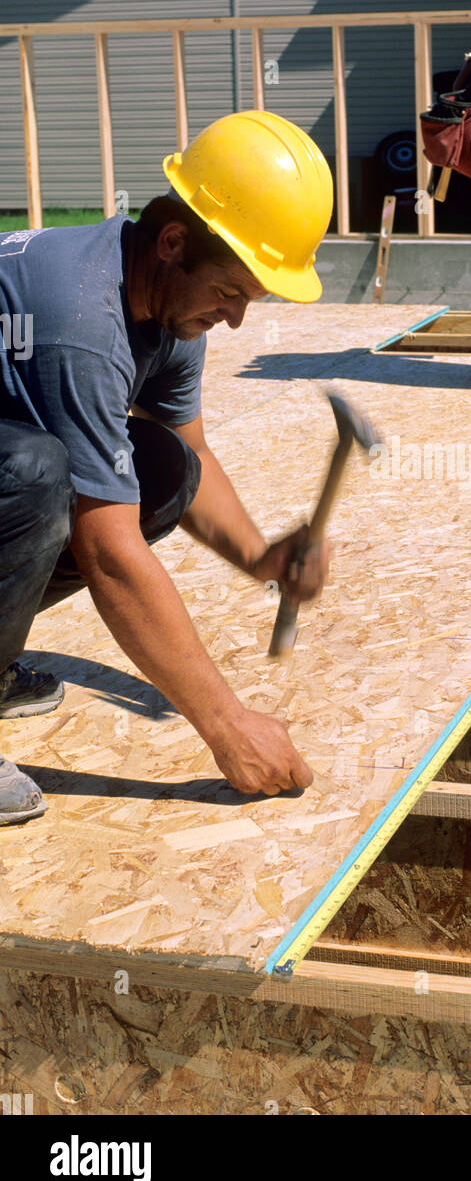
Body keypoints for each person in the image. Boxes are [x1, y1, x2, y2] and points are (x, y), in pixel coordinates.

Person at [0, 110, 333, 826]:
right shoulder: (80, 323)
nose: (236, 319)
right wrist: (226, 726)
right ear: (173, 242)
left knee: (163, 469)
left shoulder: (168, 301)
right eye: (230, 293)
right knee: (34, 474)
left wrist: (263, 558)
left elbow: (195, 455)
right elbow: (107, 552)